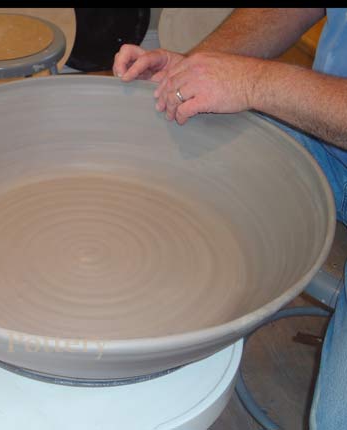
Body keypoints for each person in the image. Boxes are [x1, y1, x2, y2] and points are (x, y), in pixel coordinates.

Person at [113, 8, 347, 430]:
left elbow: (255, 83)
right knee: (169, 146)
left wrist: (252, 82)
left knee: (336, 419)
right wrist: (190, 74)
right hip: (323, 129)